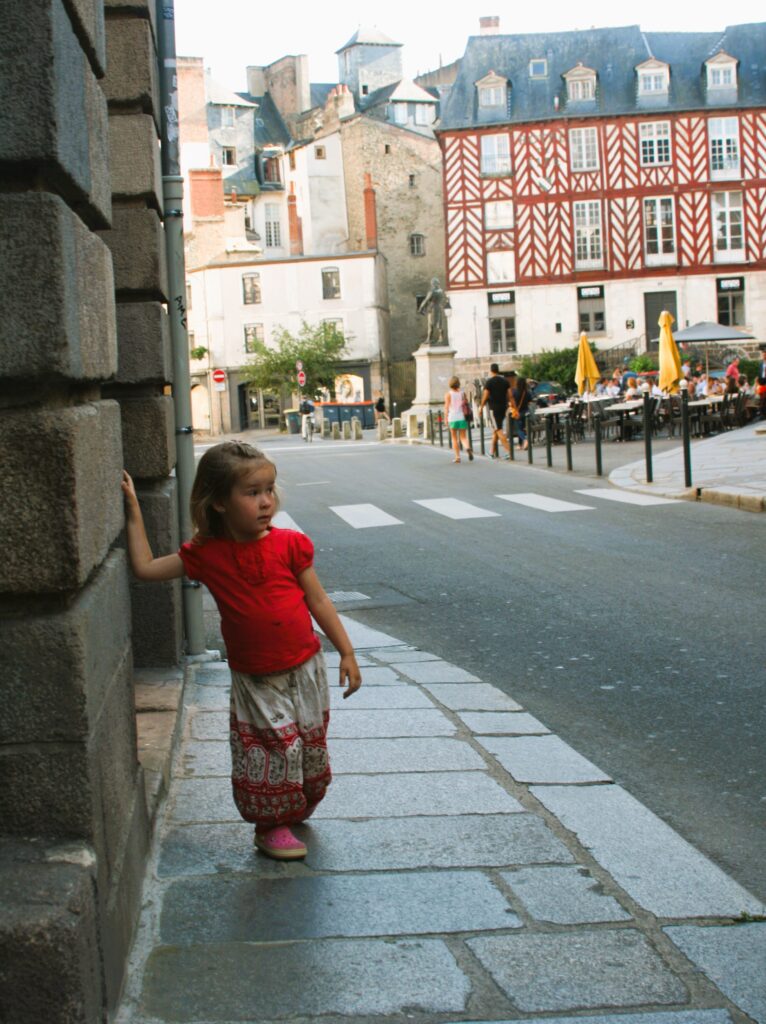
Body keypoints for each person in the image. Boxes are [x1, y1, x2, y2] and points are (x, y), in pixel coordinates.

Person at [121, 441, 362, 861]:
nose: (266, 501)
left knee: (308, 748)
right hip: (256, 677)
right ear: (217, 503)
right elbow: (144, 568)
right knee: (275, 749)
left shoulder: (290, 545)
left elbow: (318, 602)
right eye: (252, 493)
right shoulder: (205, 555)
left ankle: (292, 808)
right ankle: (270, 824)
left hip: (305, 668)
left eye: (269, 489)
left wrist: (346, 651)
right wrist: (134, 513)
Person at [478, 363, 512, 458]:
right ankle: (491, 452)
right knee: (496, 429)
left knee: (498, 429)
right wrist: (514, 406)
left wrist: (481, 407)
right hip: (503, 407)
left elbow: (485, 396)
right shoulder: (505, 381)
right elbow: (510, 395)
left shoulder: (489, 382)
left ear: (491, 371)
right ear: (498, 370)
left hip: (494, 409)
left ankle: (509, 451)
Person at [444, 375, 474, 463]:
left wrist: (445, 418)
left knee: (454, 438)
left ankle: (457, 457)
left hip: (452, 417)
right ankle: (468, 448)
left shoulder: (448, 394)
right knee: (463, 437)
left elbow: (446, 407)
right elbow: (466, 403)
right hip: (461, 416)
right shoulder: (462, 393)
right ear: (458, 384)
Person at [418, 277, 450, 344]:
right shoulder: (441, 291)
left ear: (433, 283)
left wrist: (421, 307)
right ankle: (441, 338)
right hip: (439, 307)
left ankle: (429, 339)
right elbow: (444, 299)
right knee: (439, 324)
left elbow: (426, 300)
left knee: (430, 324)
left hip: (432, 308)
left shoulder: (432, 291)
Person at [511, 375, 531, 451]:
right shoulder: (527, 392)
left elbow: (512, 402)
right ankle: (520, 445)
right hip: (526, 412)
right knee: (522, 428)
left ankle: (525, 440)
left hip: (517, 413)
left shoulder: (514, 392)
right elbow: (530, 401)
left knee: (518, 429)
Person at [757, 348, 766, 420]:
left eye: (765, 355)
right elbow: (759, 372)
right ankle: (763, 413)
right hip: (762, 381)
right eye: (763, 355)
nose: (764, 356)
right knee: (762, 397)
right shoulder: (761, 363)